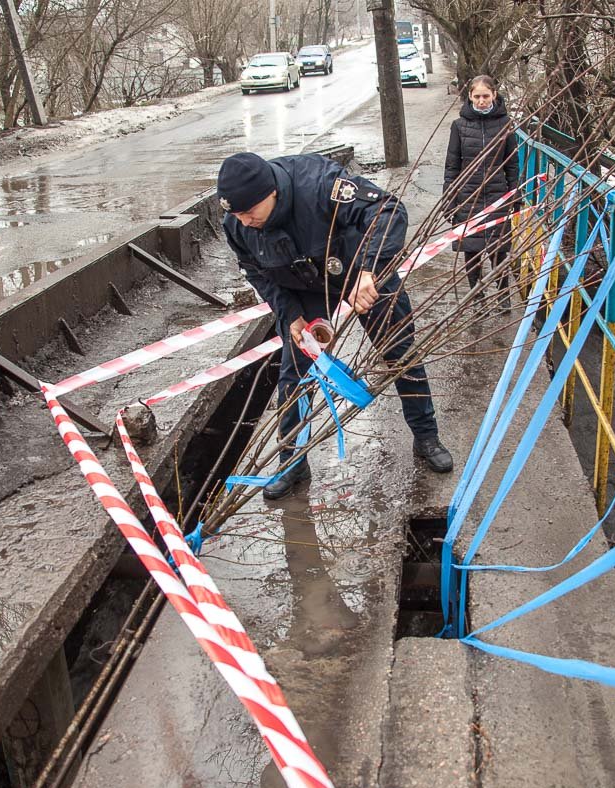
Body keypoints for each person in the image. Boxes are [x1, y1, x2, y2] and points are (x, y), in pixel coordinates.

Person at [217, 152, 454, 500]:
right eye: (237, 214)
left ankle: (426, 436)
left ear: (272, 192)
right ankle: (292, 461)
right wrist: (289, 313)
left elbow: (388, 210)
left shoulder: (320, 184)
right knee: (294, 377)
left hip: (360, 270)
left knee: (401, 354)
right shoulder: (237, 223)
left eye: (249, 211)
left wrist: (371, 270)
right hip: (302, 288)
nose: (244, 220)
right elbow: (256, 272)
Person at [443, 74, 520, 309]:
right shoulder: (459, 126)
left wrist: (515, 195)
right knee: (472, 250)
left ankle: (503, 296)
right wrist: (449, 200)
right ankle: (477, 298)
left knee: (499, 248)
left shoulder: (506, 124)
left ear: (494, 95)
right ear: (470, 97)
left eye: (486, 96)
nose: (481, 101)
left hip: (497, 197)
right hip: (468, 197)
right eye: (476, 96)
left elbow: (512, 164)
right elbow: (452, 165)